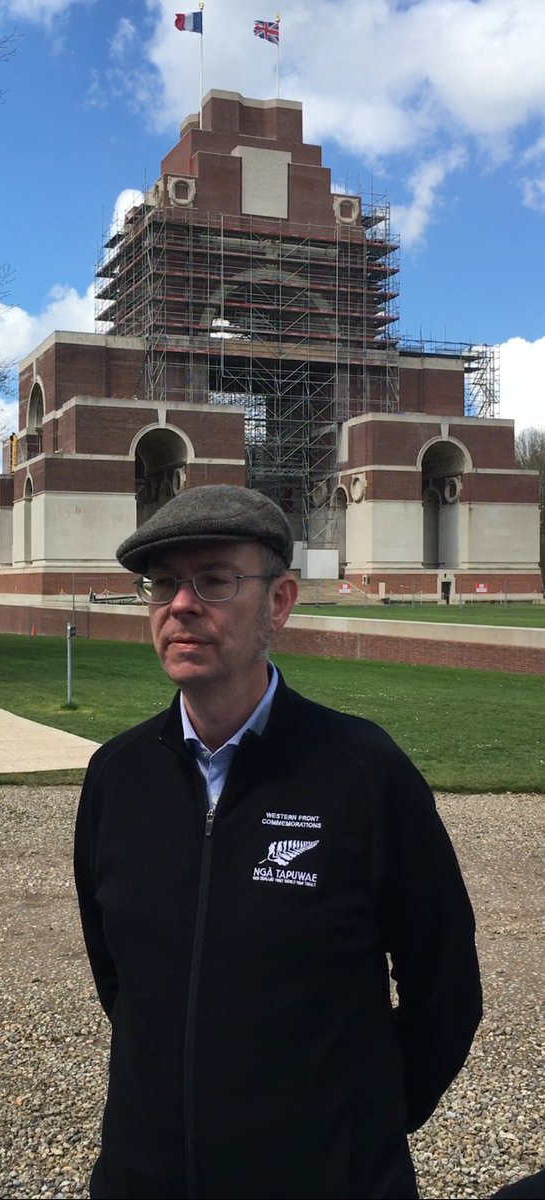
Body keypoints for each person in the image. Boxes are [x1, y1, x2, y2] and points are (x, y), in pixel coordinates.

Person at [74, 484, 482, 1200]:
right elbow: (122, 981)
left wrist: (363, 1126)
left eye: (214, 579)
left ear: (281, 600)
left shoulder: (362, 772)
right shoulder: (117, 775)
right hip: (145, 1174)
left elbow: (443, 985)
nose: (180, 605)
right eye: (163, 583)